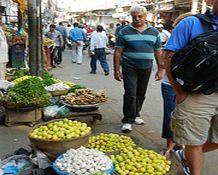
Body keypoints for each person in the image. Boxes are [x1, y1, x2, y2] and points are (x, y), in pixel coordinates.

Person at [164, 0, 218, 174]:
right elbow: (169, 57)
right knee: (193, 142)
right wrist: (179, 92)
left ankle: (185, 154)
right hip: (196, 95)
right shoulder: (192, 23)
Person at [113, 5, 163, 133]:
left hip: (146, 67)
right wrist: (116, 70)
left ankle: (136, 114)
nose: (137, 19)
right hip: (129, 66)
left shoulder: (154, 32)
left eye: (140, 16)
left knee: (141, 93)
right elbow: (118, 52)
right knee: (130, 93)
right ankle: (127, 120)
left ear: (145, 17)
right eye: (134, 17)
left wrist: (160, 69)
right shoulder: (124, 31)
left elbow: (158, 52)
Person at [160, 13, 194, 158]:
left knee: (187, 116)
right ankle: (170, 146)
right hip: (170, 84)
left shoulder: (199, 42)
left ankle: (181, 143)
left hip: (190, 87)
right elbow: (163, 61)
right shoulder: (172, 41)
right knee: (170, 114)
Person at [0, 14, 9, 80]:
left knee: (2, 73)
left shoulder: (1, 29)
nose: (1, 21)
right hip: (0, 57)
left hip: (3, 56)